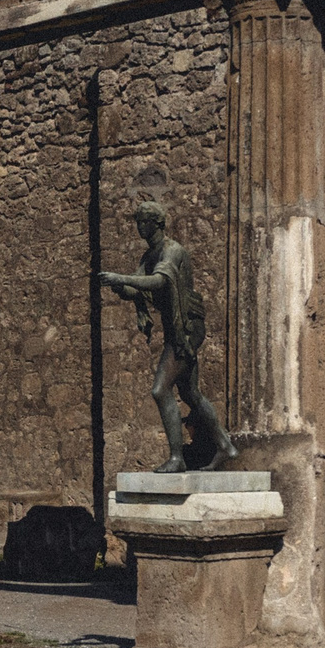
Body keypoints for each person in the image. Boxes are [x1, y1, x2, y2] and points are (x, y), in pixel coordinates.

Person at [97, 200, 239, 474]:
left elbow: (159, 281)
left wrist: (122, 278)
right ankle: (225, 445)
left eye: (144, 221)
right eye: (137, 222)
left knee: (160, 390)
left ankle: (177, 458)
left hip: (187, 328)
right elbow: (136, 289)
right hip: (179, 328)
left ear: (157, 223)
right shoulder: (148, 256)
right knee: (191, 393)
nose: (140, 227)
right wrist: (119, 286)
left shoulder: (172, 251)